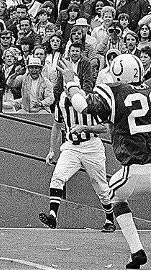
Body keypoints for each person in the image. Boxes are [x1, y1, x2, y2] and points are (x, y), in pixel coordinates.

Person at [57, 53, 151, 269]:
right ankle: (136, 254)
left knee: (114, 198)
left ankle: (137, 250)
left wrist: (71, 80)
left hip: (135, 168)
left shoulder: (115, 91)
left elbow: (81, 104)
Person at [38, 78, 116, 232]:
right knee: (58, 177)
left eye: (71, 88)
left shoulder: (89, 101)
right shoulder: (61, 102)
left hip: (91, 146)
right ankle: (53, 215)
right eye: (66, 89)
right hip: (71, 147)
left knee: (100, 185)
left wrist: (85, 128)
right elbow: (56, 125)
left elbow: (105, 127)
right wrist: (52, 149)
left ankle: (109, 219)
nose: (68, 92)